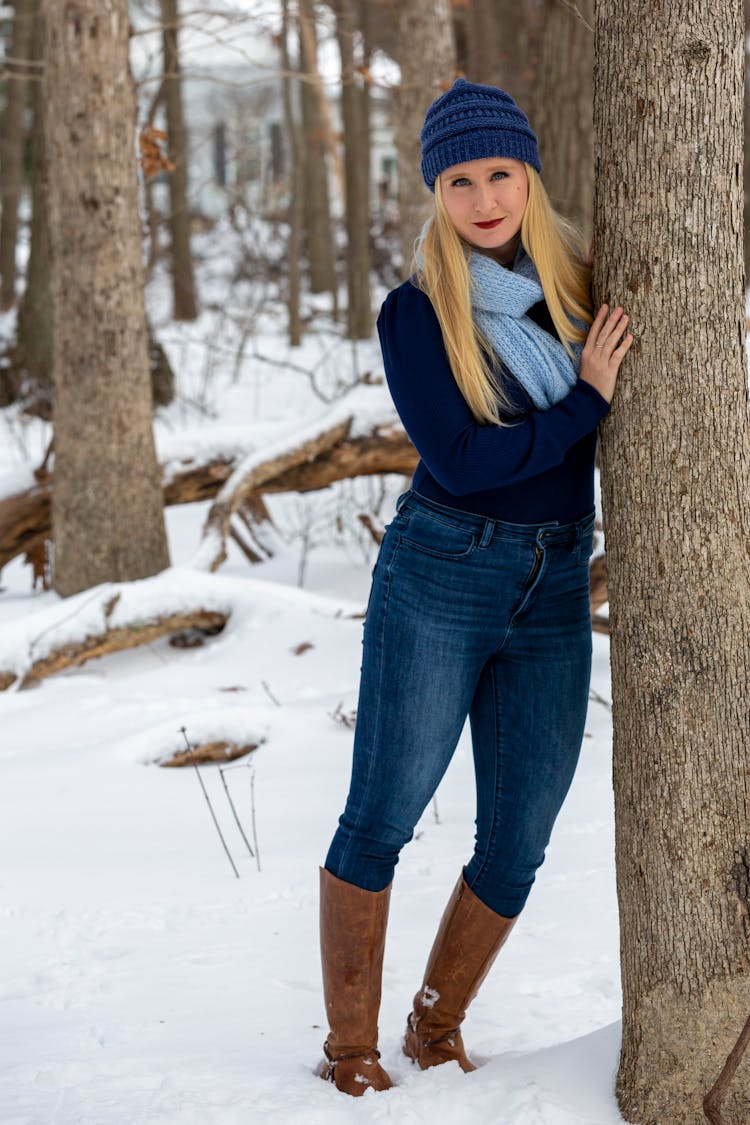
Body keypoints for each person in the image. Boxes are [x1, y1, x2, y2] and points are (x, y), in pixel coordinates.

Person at [317, 78, 633, 1097]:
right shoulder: (416, 313)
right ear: (436, 194)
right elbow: (460, 460)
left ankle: (435, 1023)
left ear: (529, 176)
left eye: (501, 172)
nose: (485, 196)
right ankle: (351, 1051)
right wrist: (587, 400)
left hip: (553, 584)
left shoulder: (581, 286)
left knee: (523, 832)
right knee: (385, 812)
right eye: (461, 179)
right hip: (444, 569)